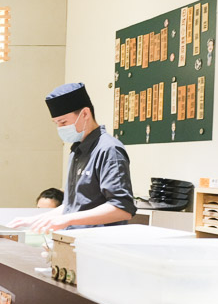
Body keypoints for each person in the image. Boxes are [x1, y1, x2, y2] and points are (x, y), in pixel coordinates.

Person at [10, 83, 135, 232]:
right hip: (74, 242)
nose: (60, 128)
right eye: (56, 123)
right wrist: (34, 219)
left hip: (98, 246)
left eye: (63, 122)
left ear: (85, 114)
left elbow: (121, 208)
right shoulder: (77, 150)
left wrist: (67, 219)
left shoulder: (109, 150)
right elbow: (72, 207)